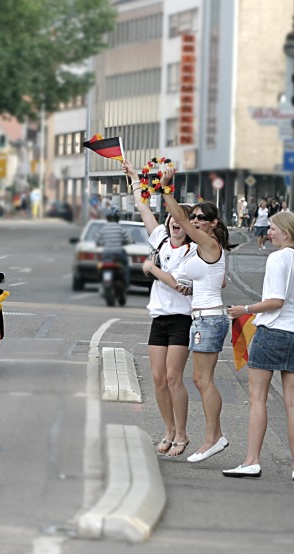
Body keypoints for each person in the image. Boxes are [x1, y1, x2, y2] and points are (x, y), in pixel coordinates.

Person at [225, 212, 294, 481]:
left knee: (258, 399)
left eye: (272, 228)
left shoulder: (278, 258)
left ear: (286, 233)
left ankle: (252, 461)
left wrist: (243, 309)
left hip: (271, 334)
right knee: (293, 403)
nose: (268, 232)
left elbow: (275, 301)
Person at [160, 168, 235, 463]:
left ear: (213, 223)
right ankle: (214, 436)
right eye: (194, 217)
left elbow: (177, 218)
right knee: (201, 379)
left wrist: (166, 190)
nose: (194, 221)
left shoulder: (208, 243)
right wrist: (191, 285)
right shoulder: (205, 247)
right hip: (202, 316)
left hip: (209, 318)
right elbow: (222, 280)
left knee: (203, 380)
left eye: (201, 217)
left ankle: (212, 438)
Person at [123, 162, 198, 457]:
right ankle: (168, 430)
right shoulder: (162, 241)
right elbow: (144, 210)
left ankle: (182, 434)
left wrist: (152, 268)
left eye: (180, 220)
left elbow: (179, 285)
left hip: (182, 319)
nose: (174, 224)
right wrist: (135, 181)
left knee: (172, 377)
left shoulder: (194, 252)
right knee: (157, 378)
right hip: (159, 319)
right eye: (171, 220)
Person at [96, 206, 131, 289]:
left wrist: (101, 244)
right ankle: (126, 282)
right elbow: (126, 240)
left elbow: (98, 241)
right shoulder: (120, 228)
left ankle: (101, 281)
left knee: (100, 265)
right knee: (126, 263)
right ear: (118, 217)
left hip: (106, 253)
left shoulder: (103, 228)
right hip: (118, 253)